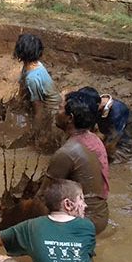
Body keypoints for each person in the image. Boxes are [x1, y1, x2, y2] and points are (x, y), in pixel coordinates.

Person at [41, 91, 109, 234]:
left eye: (60, 108)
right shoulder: (93, 139)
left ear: (70, 118)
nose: (56, 112)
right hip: (100, 217)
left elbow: (43, 198)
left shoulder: (66, 153)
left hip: (82, 223)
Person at [77, 86, 132, 163]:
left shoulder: (117, 111)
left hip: (127, 148)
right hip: (110, 138)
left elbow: (111, 144)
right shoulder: (95, 104)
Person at [14, 33, 62, 121]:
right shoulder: (34, 65)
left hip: (51, 109)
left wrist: (36, 128)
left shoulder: (32, 78)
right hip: (46, 101)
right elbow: (22, 88)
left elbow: (38, 107)